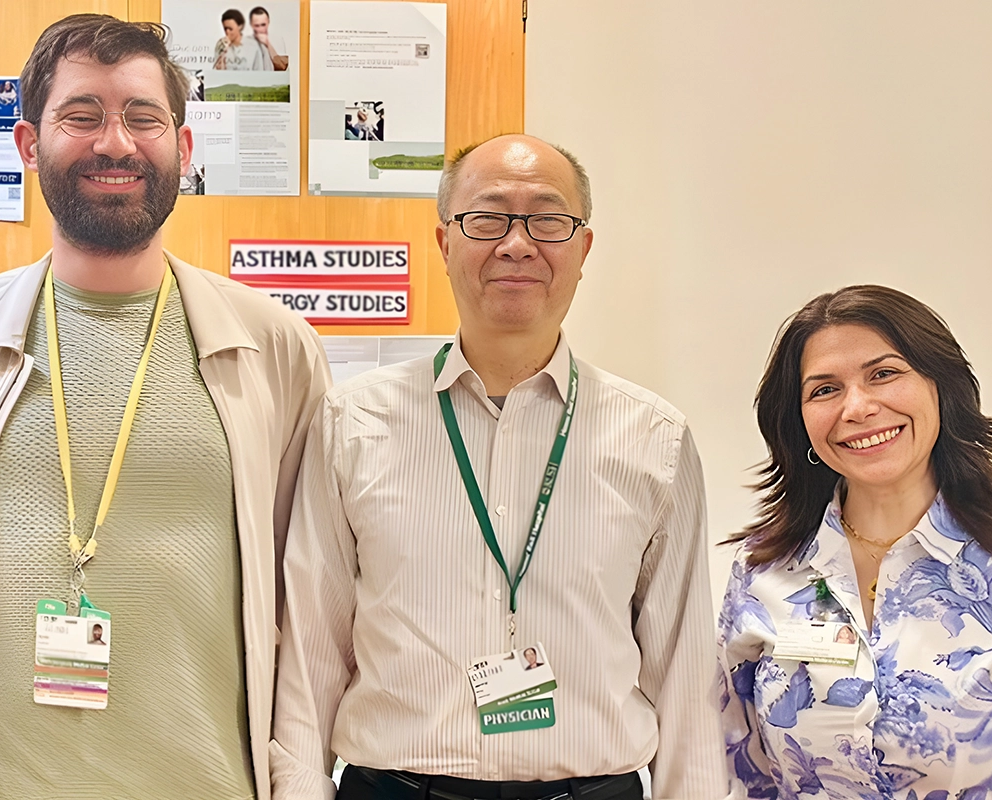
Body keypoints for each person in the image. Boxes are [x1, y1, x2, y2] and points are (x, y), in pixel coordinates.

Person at [0, 14, 329, 800]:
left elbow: (309, 605)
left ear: (184, 148)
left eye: (143, 117)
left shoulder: (276, 346)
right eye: (82, 115)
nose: (115, 143)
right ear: (29, 144)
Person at [271, 133, 725, 800]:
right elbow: (309, 659)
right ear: (444, 242)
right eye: (488, 219)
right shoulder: (351, 424)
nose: (517, 244)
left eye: (548, 220)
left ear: (582, 249)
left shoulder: (653, 438)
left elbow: (685, 676)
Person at [719, 285, 992, 797]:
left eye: (883, 373)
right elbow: (735, 772)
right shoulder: (760, 573)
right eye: (824, 390)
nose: (856, 407)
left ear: (940, 387)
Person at [249, 6, 290, 71]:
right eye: (257, 25)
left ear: (268, 22)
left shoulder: (277, 40)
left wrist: (268, 44)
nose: (260, 29)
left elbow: (282, 67)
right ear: (251, 24)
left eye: (263, 25)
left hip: (273, 80)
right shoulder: (247, 42)